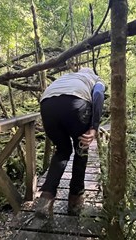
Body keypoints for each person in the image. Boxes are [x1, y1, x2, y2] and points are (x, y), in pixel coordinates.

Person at [35, 67, 105, 218]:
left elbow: (49, 94)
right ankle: (75, 201)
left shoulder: (66, 77)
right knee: (81, 150)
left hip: (47, 106)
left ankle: (46, 197)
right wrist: (94, 127)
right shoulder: (95, 80)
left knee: (62, 151)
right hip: (76, 103)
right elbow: (98, 94)